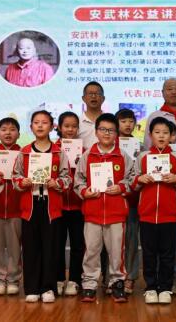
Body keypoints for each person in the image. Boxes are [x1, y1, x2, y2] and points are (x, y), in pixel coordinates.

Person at [12, 110, 71, 303]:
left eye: (44, 122)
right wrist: (23, 182)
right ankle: (32, 288)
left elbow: (67, 178)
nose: (40, 125)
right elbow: (15, 176)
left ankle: (48, 287)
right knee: (30, 247)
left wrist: (57, 183)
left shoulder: (58, 152)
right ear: (31, 127)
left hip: (51, 207)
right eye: (36, 122)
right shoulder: (24, 152)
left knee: (50, 247)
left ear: (52, 127)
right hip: (30, 208)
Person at [75, 113, 133, 303]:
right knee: (91, 251)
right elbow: (78, 180)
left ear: (117, 133)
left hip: (116, 213)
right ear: (96, 131)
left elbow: (132, 178)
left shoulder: (123, 156)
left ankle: (117, 283)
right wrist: (85, 191)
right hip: (92, 212)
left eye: (111, 130)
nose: (107, 133)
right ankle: (89, 284)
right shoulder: (87, 155)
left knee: (117, 252)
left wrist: (121, 187)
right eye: (103, 129)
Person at [131, 117, 176, 305]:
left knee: (168, 253)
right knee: (148, 252)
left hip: (169, 214)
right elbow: (132, 182)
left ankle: (165, 287)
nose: (161, 136)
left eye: (165, 133)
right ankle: (150, 287)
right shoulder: (143, 157)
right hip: (147, 213)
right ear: (150, 135)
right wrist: (140, 179)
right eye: (157, 132)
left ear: (171, 136)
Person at [0, 117, 23, 296]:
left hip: (18, 209)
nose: (8, 133)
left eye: (12, 129)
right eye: (4, 129)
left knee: (15, 247)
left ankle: (13, 279)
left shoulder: (24, 155)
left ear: (19, 134)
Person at [55, 112, 86, 296]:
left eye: (74, 126)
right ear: (59, 127)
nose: (70, 129)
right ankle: (59, 279)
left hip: (78, 205)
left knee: (78, 245)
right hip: (57, 205)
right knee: (56, 245)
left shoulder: (85, 150)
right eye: (66, 126)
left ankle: (75, 280)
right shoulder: (52, 149)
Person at [115, 108, 142, 294]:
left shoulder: (140, 146)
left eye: (131, 121)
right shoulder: (109, 144)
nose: (127, 124)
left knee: (131, 240)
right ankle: (112, 277)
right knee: (113, 241)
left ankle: (130, 277)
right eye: (123, 121)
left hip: (133, 199)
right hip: (113, 199)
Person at [78, 81, 106, 149]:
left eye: (97, 93)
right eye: (90, 94)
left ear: (103, 98)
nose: (93, 96)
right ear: (83, 98)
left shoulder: (110, 122)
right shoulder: (77, 122)